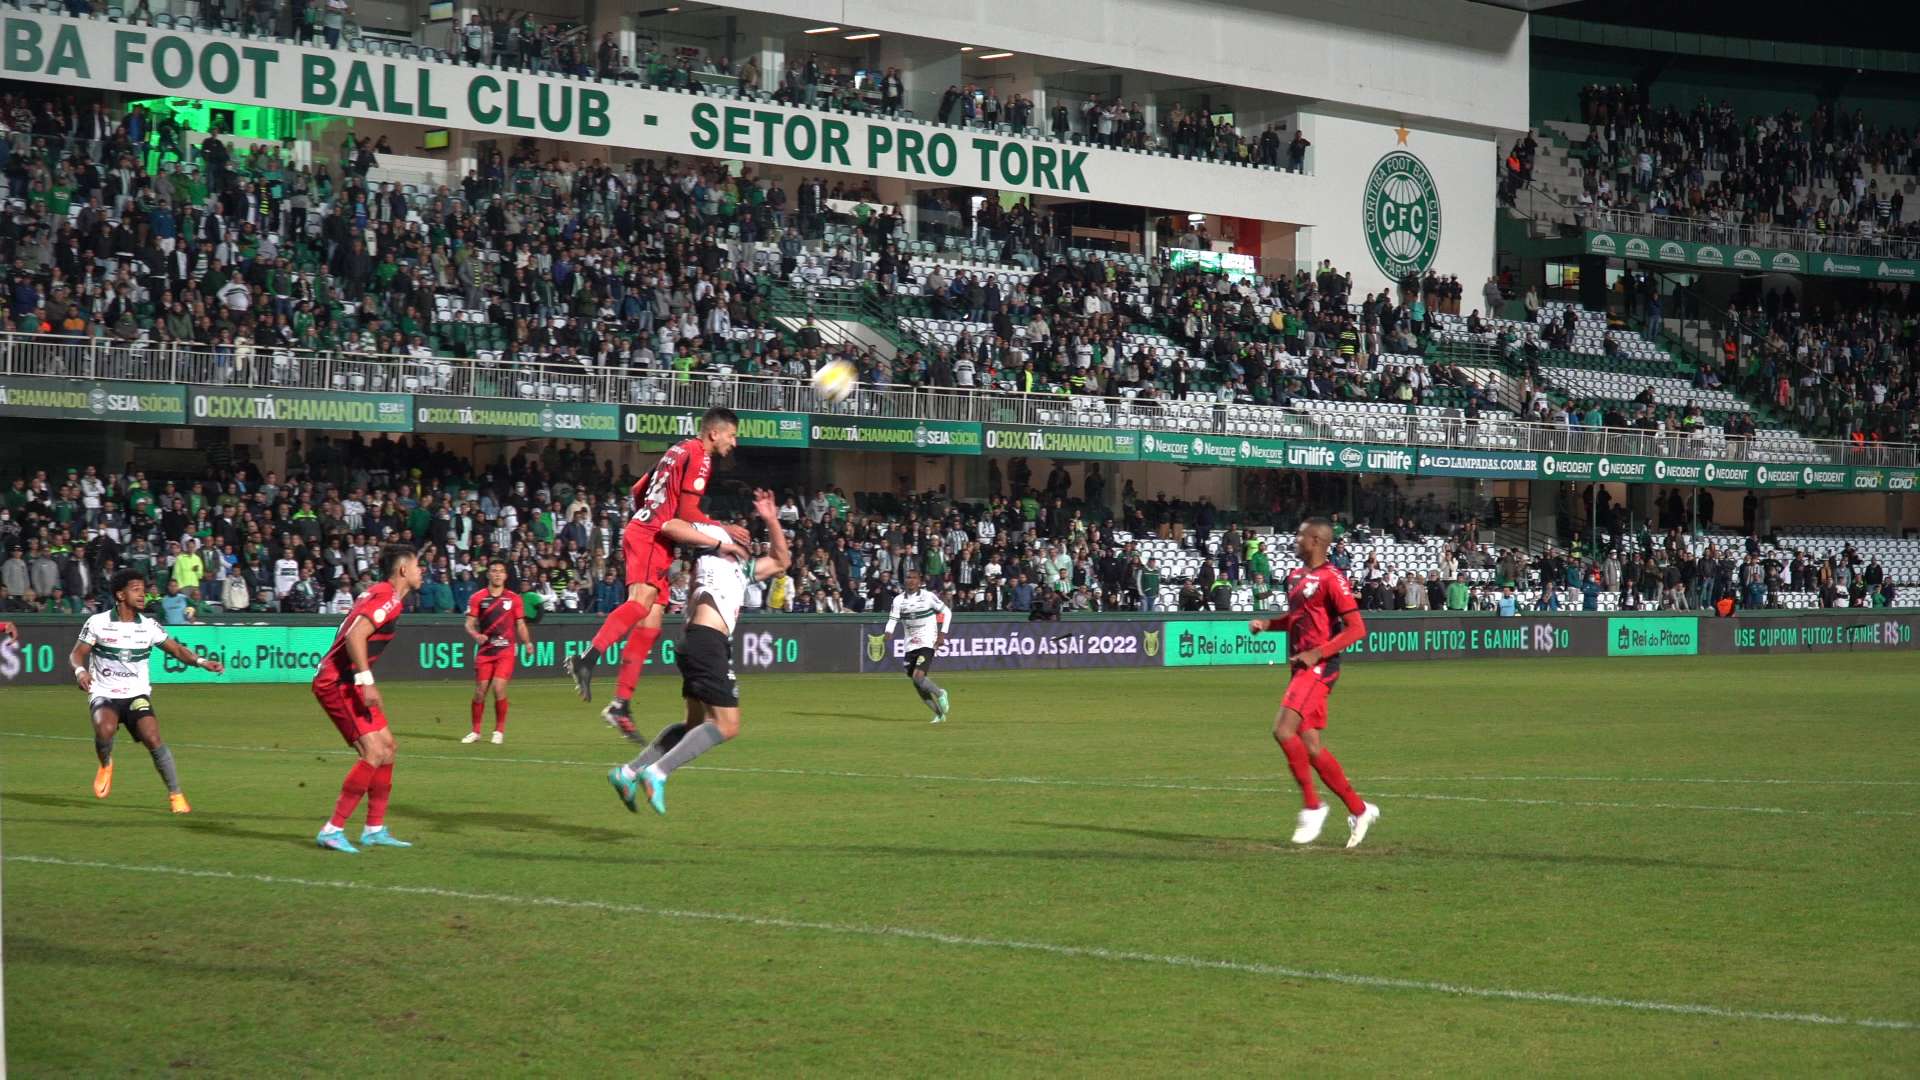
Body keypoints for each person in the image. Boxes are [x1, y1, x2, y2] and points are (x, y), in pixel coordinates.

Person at [564, 408, 751, 738]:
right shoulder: (700, 456)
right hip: (652, 535)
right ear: (714, 433)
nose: (734, 443)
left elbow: (639, 490)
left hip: (651, 534)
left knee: (650, 625)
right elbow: (688, 512)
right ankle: (587, 658)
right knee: (641, 601)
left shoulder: (676, 450)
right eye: (732, 435)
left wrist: (651, 516)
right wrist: (722, 530)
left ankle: (621, 702)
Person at [609, 489, 790, 816]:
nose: (748, 539)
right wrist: (723, 538)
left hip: (697, 642)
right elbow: (671, 526)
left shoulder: (740, 569)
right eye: (744, 533)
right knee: (728, 725)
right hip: (706, 640)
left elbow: (781, 561)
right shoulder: (715, 542)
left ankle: (629, 772)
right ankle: (658, 772)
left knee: (694, 724)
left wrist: (772, 519)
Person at [1246, 519, 1380, 848]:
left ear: (1316, 539)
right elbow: (1296, 619)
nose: (1296, 539)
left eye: (1300, 535)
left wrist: (1317, 653)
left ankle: (1313, 806)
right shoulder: (1295, 577)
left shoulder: (1333, 578)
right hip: (1301, 665)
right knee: (1311, 746)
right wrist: (1269, 624)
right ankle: (1360, 810)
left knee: (1282, 729)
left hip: (1320, 666)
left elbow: (1356, 628)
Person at [70, 570, 225, 813]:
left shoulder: (149, 626)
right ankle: (106, 763)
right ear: (120, 595)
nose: (143, 594)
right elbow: (77, 653)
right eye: (136, 589)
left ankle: (176, 795)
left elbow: (177, 650)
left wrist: (203, 662)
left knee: (152, 737)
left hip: (136, 694)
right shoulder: (98, 622)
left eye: (143, 589)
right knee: (105, 729)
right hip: (105, 692)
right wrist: (81, 672)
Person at [310, 545, 422, 853]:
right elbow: (354, 636)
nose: (421, 571)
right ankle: (332, 829)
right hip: (337, 682)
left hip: (349, 682)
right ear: (403, 570)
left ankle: (374, 829)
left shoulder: (381, 593)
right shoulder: (388, 599)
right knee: (373, 751)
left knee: (388, 748)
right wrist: (366, 680)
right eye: (417, 565)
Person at [463, 558, 531, 745]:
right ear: (488, 574)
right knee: (479, 692)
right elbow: (468, 624)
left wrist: (527, 643)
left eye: (501, 571)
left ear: (506, 575)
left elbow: (520, 624)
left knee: (498, 687)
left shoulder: (514, 599)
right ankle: (475, 731)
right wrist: (476, 635)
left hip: (506, 650)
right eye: (494, 570)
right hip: (485, 651)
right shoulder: (478, 598)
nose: (498, 574)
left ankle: (498, 730)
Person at [886, 567, 953, 722]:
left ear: (919, 581)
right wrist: (888, 631)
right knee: (918, 684)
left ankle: (941, 693)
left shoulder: (928, 597)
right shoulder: (898, 600)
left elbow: (947, 612)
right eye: (908, 577)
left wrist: (942, 634)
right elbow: (892, 619)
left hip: (927, 641)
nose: (910, 580)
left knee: (918, 677)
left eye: (914, 577)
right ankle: (939, 714)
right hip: (910, 645)